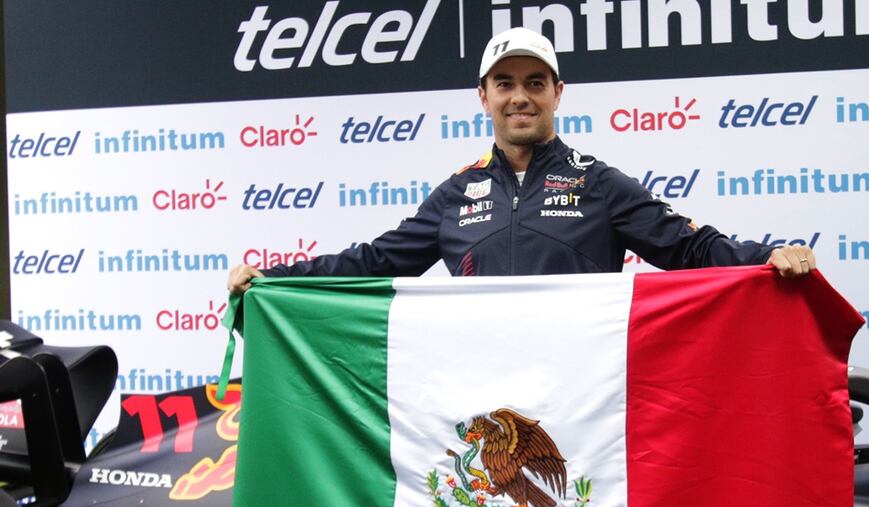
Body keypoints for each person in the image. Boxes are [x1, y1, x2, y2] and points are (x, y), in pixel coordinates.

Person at [228, 27, 815, 294]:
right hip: (480, 397)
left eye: (535, 82)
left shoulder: (597, 182)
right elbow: (379, 262)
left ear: (558, 92)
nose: (520, 96)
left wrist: (768, 257)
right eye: (504, 83)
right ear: (483, 97)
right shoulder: (456, 194)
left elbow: (687, 247)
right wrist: (279, 279)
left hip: (584, 395)